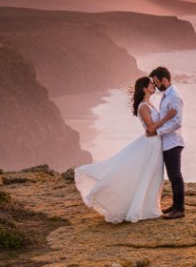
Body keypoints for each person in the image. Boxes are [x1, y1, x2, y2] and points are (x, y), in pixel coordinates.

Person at [74, 76, 175, 222]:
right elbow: (151, 129)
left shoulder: (150, 105)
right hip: (151, 145)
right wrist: (168, 117)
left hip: (155, 144)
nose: (153, 86)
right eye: (150, 84)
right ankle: (143, 209)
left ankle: (150, 207)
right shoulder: (143, 107)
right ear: (144, 89)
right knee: (149, 175)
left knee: (154, 176)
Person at [147, 66, 185, 219]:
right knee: (171, 174)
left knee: (175, 175)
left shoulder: (174, 96)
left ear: (164, 80)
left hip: (173, 142)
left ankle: (180, 209)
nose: (156, 86)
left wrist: (157, 132)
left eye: (157, 83)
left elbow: (177, 123)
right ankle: (175, 206)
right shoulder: (166, 95)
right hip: (167, 142)